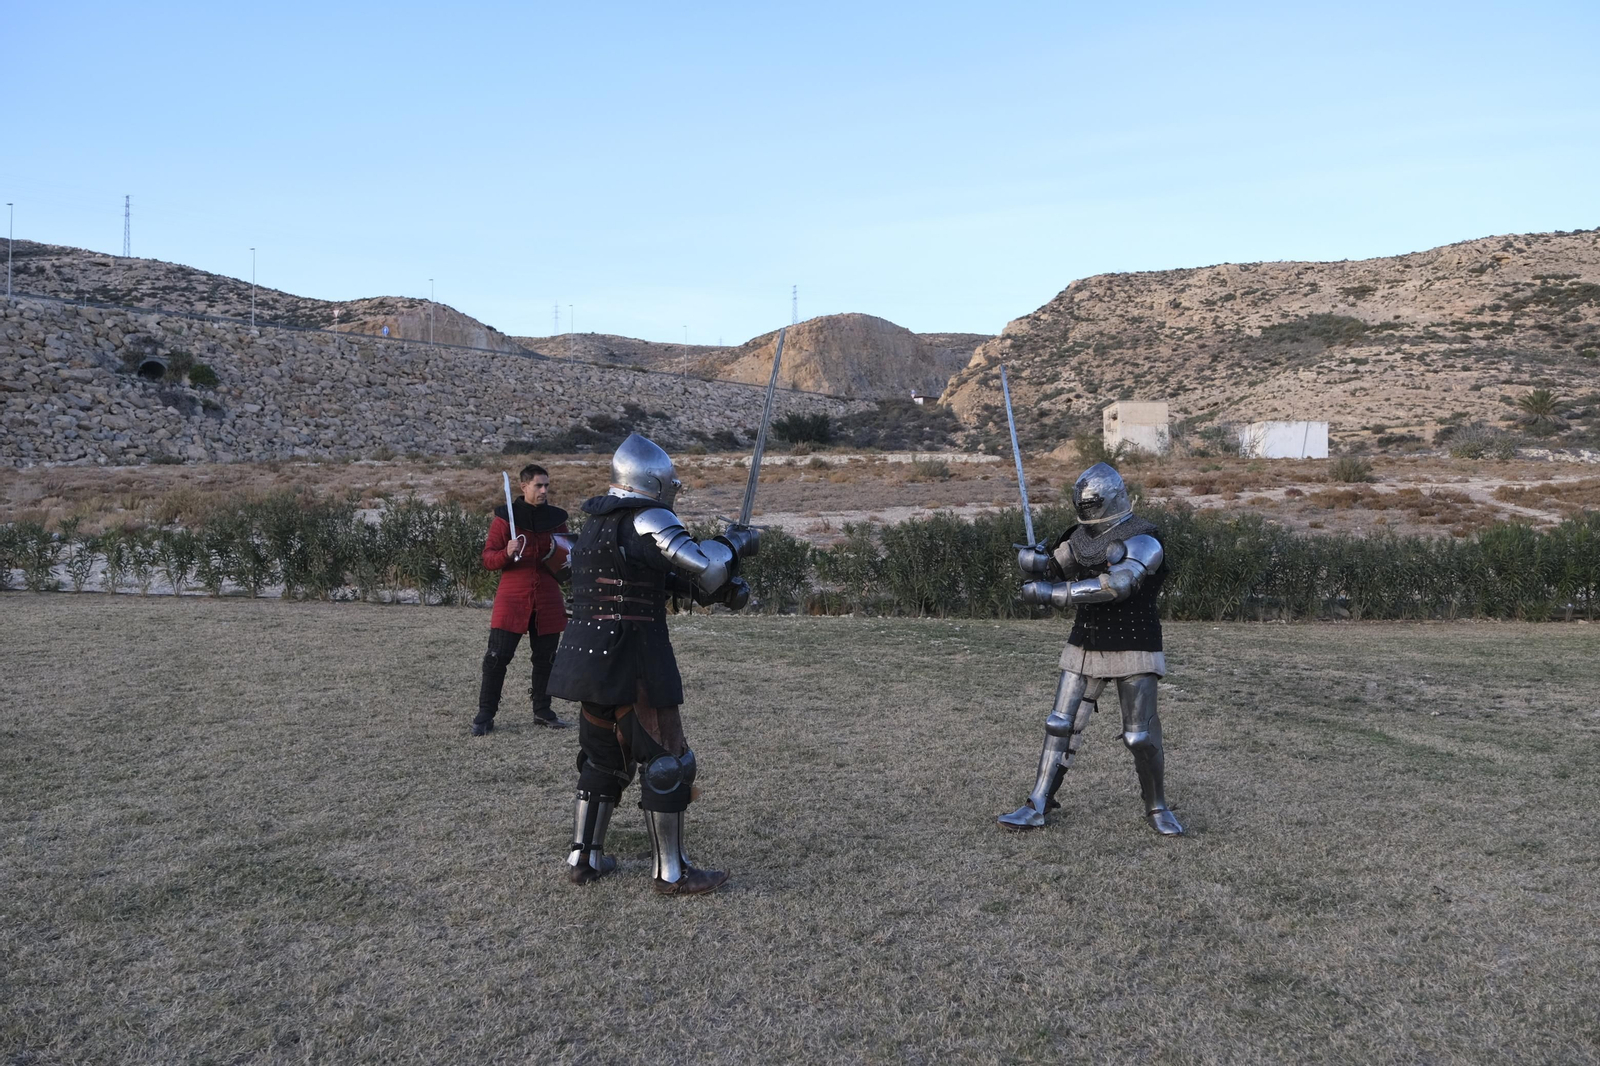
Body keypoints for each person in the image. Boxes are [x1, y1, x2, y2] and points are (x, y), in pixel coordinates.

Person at [548, 433, 756, 896]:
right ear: (656, 482)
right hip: (636, 661)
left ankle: (585, 857)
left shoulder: (596, 528)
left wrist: (721, 590)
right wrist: (737, 542)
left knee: (604, 759)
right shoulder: (648, 518)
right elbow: (702, 563)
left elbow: (655, 581)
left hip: (590, 664)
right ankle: (672, 872)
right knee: (668, 762)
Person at [996, 462, 1184, 836]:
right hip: (1086, 640)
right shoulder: (1081, 538)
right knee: (1059, 724)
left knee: (1140, 736)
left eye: (1092, 502)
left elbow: (1118, 584)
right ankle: (1037, 803)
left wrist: (1053, 594)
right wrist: (1035, 562)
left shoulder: (1144, 539)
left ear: (1109, 498)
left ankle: (1158, 807)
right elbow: (1056, 566)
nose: (1087, 509)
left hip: (1134, 642)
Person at [474, 463, 573, 736]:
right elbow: (488, 559)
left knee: (546, 659)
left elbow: (565, 555)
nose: (544, 491)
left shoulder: (555, 518)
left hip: (548, 598)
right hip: (513, 597)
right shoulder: (505, 519)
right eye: (539, 486)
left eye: (547, 486)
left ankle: (543, 711)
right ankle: (485, 714)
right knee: (496, 658)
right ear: (524, 487)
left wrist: (570, 558)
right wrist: (506, 552)